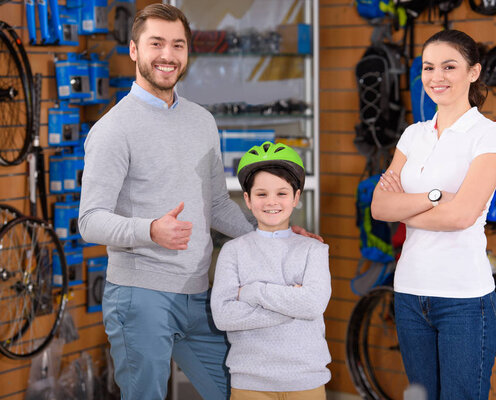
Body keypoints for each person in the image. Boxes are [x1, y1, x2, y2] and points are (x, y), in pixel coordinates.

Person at [78, 4, 318, 400]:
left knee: (239, 391)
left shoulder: (201, 120)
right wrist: (150, 230)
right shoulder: (113, 130)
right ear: (135, 50)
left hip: (201, 293)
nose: (167, 55)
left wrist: (280, 237)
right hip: (140, 297)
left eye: (178, 45)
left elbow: (217, 205)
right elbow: (90, 221)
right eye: (156, 43)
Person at [371, 29, 496, 399]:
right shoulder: (413, 135)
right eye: (429, 68)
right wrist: (435, 196)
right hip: (409, 293)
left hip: (464, 300)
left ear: (474, 72)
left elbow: (461, 216)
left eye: (449, 66)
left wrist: (407, 208)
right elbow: (379, 206)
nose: (437, 77)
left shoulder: (489, 135)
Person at [210, 141, 332, 400]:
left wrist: (253, 292)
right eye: (261, 194)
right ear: (247, 199)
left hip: (306, 379)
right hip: (249, 381)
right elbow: (223, 316)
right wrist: (292, 304)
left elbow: (312, 306)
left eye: (282, 193)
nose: (271, 202)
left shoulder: (314, 250)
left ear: (296, 197)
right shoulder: (233, 251)